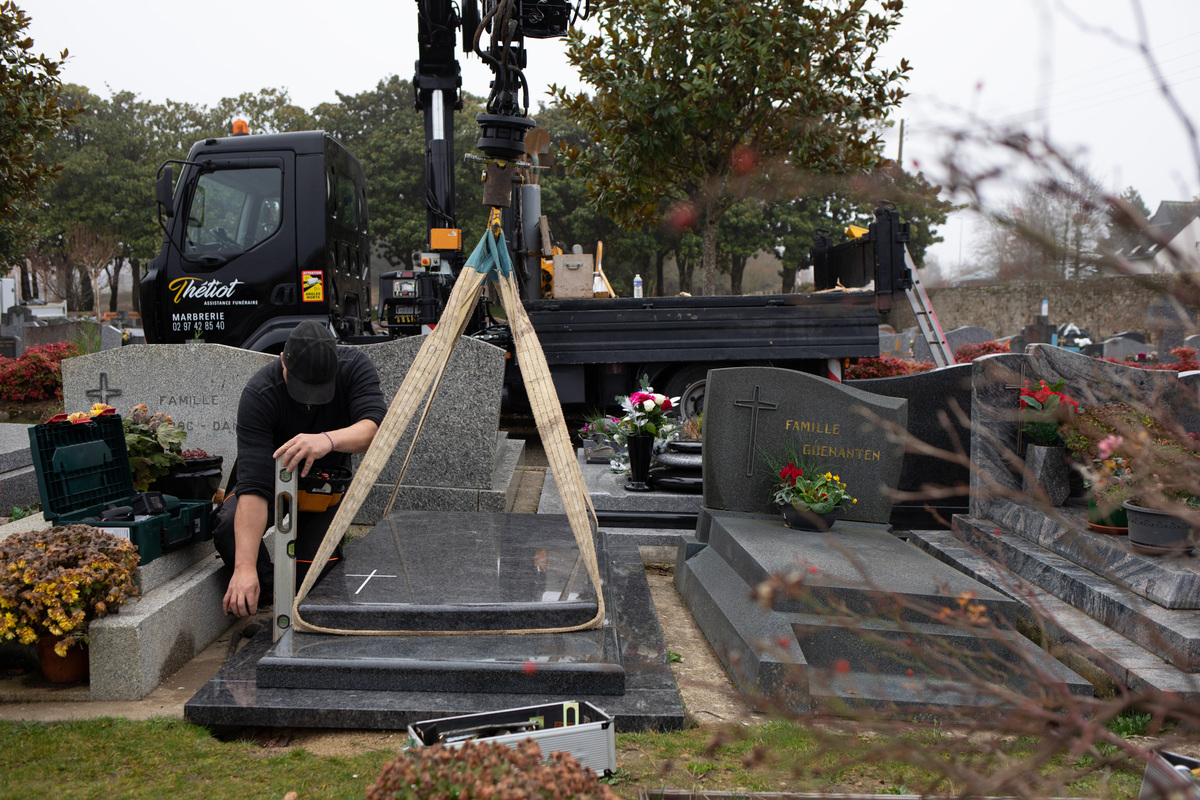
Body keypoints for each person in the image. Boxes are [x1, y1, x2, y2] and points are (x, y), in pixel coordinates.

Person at [215, 320, 386, 617]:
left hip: (323, 488)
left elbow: (377, 430)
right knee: (230, 527)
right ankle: (264, 590)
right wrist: (244, 568)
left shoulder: (354, 366)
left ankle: (294, 589)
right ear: (283, 360)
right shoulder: (260, 393)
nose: (308, 398)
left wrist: (326, 441)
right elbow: (254, 487)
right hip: (269, 482)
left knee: (313, 582)